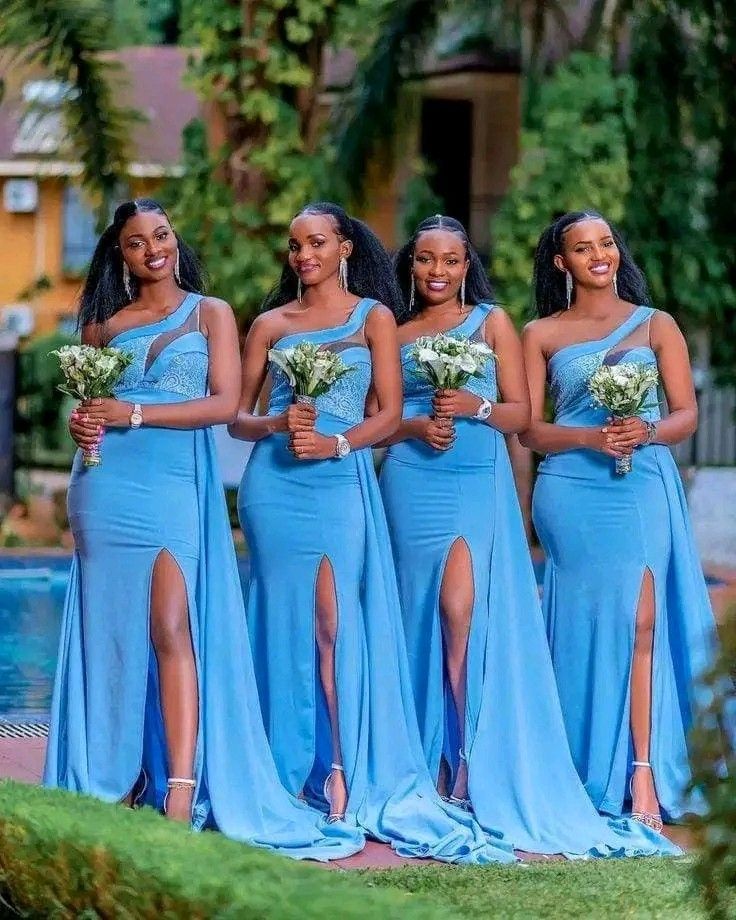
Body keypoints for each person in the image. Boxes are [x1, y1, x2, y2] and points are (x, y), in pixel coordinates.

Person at [44, 198, 361, 860]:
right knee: (112, 634)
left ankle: (182, 788)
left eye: (161, 235)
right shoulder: (101, 327)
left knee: (170, 626)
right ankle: (121, 774)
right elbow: (88, 411)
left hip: (172, 486)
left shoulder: (210, 313)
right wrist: (87, 423)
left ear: (175, 240)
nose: (153, 248)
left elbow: (223, 404)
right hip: (104, 485)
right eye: (136, 242)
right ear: (120, 255)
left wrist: (132, 412)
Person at [378, 214, 679, 857]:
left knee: (475, 613)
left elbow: (516, 415)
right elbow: (381, 416)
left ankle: (634, 770)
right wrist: (411, 427)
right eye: (427, 260)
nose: (439, 271)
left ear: (467, 265)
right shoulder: (397, 332)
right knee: (416, 618)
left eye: (452, 260)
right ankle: (431, 758)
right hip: (414, 481)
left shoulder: (496, 323)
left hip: (510, 478)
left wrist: (476, 408)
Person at [231, 201, 514, 864]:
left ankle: (338, 766)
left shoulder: (374, 318)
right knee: (283, 622)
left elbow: (387, 415)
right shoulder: (269, 324)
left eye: (317, 243)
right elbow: (237, 419)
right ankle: (287, 768)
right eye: (295, 245)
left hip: (341, 482)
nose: (304, 256)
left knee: (333, 623)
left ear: (345, 249)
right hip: (274, 485)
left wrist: (334, 443)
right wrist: (277, 425)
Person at [521, 209, 722, 828]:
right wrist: (588, 439)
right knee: (584, 625)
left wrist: (648, 430)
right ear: (563, 263)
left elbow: (686, 413)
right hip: (572, 490)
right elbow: (530, 429)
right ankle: (578, 765)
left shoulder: (657, 325)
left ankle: (643, 769)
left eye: (606, 242)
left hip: (641, 483)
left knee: (641, 619)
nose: (598, 254)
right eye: (583, 248)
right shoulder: (541, 334)